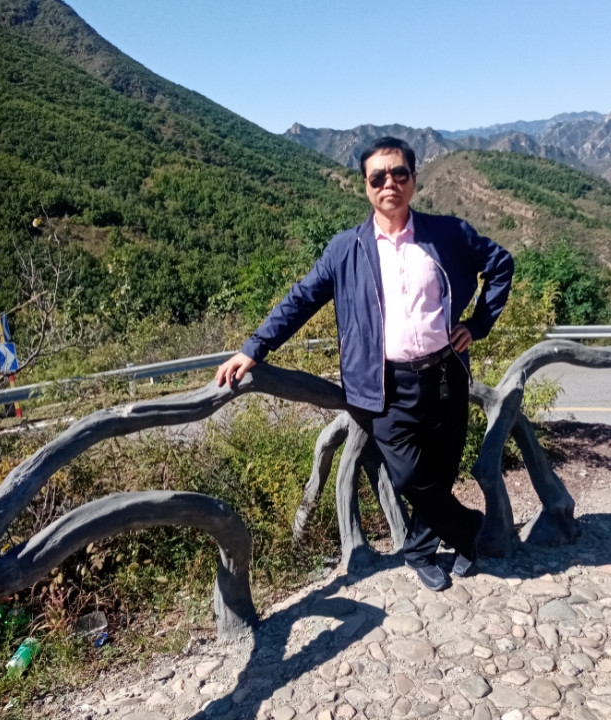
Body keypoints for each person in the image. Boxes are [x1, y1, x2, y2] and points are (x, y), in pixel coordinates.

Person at [216, 137, 513, 591]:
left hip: (445, 375)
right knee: (409, 475)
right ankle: (468, 527)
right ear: (366, 186)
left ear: (414, 179)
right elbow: (301, 299)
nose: (389, 183)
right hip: (383, 384)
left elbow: (500, 265)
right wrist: (254, 347)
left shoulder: (448, 233)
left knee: (440, 471)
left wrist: (478, 323)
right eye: (378, 177)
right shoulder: (346, 249)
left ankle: (420, 550)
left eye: (399, 173)